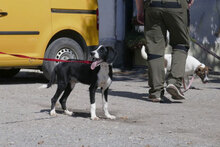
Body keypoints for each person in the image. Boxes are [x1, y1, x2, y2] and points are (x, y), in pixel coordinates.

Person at [135, 0, 194, 102]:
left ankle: (156, 92)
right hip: (177, 5)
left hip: (153, 5)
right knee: (180, 45)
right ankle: (174, 83)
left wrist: (140, 10)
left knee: (154, 49)